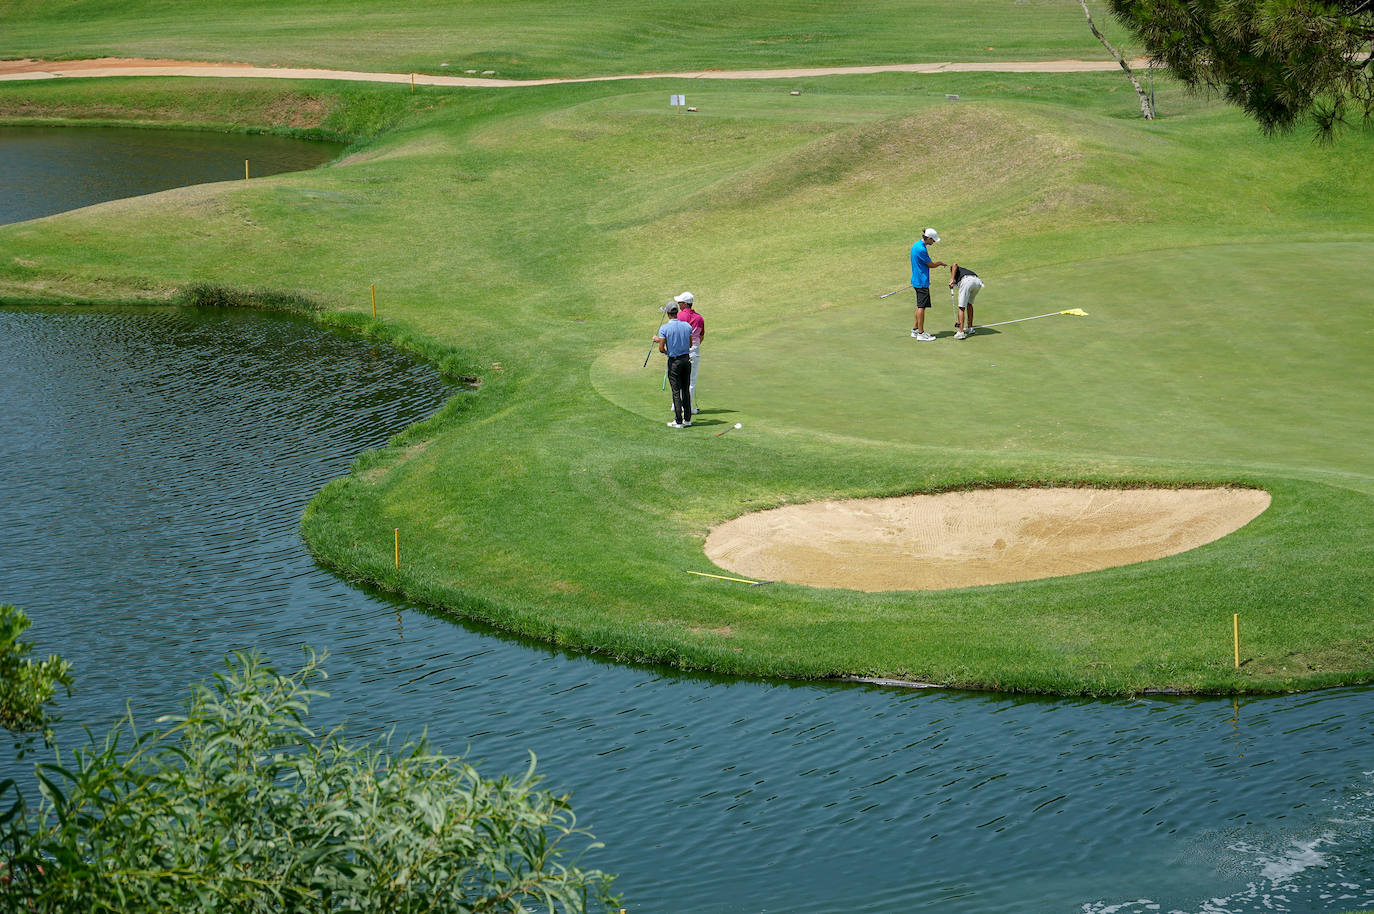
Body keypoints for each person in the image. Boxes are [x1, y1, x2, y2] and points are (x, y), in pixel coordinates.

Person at [654, 301, 693, 428]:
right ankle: (687, 419)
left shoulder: (664, 328)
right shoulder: (687, 326)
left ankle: (678, 420)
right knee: (685, 390)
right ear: (676, 313)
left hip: (674, 361)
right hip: (686, 361)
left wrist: (667, 352)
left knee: (676, 391)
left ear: (668, 314)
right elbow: (690, 344)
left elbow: (661, 348)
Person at [909, 227, 947, 341]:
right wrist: (939, 263)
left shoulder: (916, 245)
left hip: (917, 280)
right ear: (929, 238)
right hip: (921, 282)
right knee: (921, 307)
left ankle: (915, 330)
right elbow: (931, 264)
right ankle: (921, 333)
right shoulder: (921, 249)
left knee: (919, 306)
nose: (934, 242)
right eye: (933, 240)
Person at [674, 291, 704, 414]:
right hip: (694, 352)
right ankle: (689, 407)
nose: (679, 305)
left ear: (686, 304)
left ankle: (678, 406)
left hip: (681, 352)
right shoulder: (699, 318)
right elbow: (701, 336)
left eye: (680, 302)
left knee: (680, 380)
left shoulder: (679, 316)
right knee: (691, 382)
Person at [948, 262, 984, 340]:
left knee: (961, 307)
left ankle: (960, 332)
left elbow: (954, 264)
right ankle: (970, 328)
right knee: (969, 304)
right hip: (977, 282)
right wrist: (953, 282)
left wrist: (952, 279)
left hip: (967, 281)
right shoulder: (962, 273)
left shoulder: (954, 270)